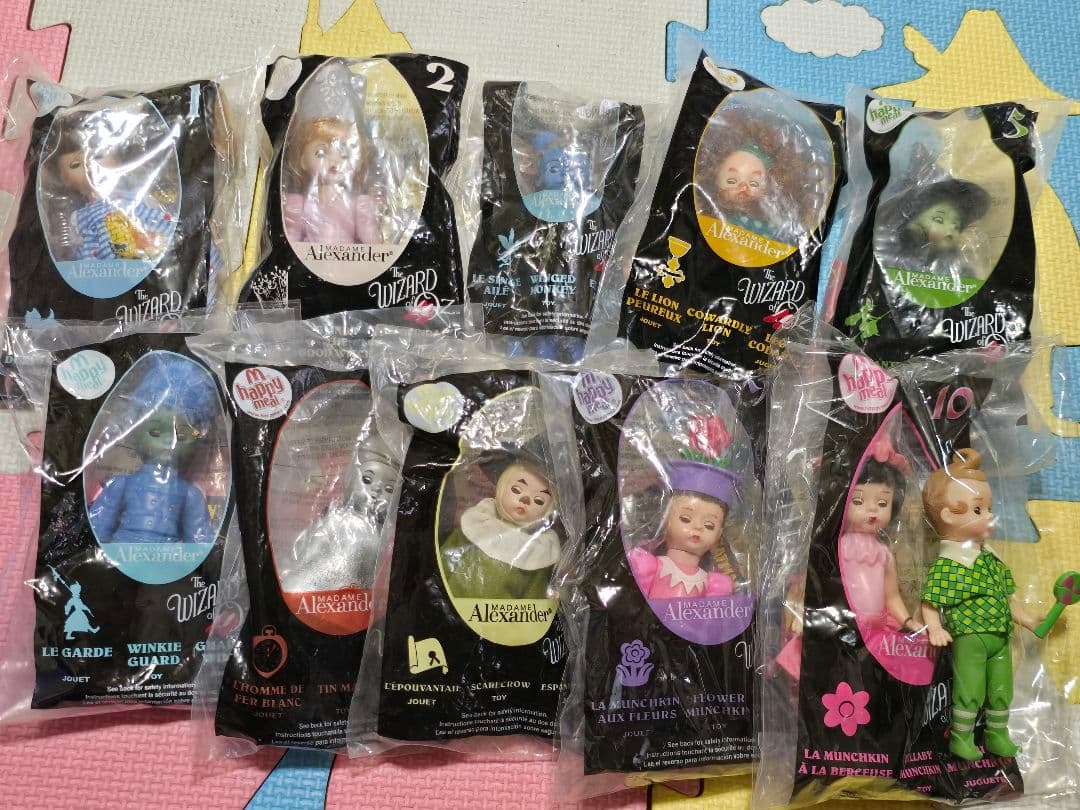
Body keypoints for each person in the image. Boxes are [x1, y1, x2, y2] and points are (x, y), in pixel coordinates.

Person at [921, 448, 1044, 760]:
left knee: (1001, 689)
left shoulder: (992, 558)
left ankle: (997, 734)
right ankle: (961, 738)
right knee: (970, 689)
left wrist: (1028, 619)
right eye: (978, 509)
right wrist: (934, 628)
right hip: (970, 636)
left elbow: (1006, 597)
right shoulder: (949, 564)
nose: (989, 515)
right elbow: (931, 600)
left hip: (1000, 636)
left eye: (988, 508)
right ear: (949, 515)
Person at [87, 353, 220, 545]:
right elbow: (99, 524)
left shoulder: (190, 494)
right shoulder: (121, 483)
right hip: (123, 548)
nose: (168, 441)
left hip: (166, 556)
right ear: (136, 430)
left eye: (181, 436)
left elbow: (199, 539)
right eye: (155, 432)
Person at [41, 111, 174, 262]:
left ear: (118, 159)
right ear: (64, 179)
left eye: (98, 156)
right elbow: (72, 247)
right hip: (103, 270)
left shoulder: (133, 198)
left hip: (147, 256)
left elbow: (158, 220)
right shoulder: (79, 217)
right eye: (75, 165)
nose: (90, 166)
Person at [440, 450, 559, 600]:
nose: (525, 500)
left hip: (502, 614)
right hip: (451, 602)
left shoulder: (538, 550)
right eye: (516, 490)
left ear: (548, 510)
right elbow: (444, 561)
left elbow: (535, 596)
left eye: (539, 501)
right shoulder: (477, 523)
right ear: (501, 488)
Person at [282, 116, 382, 245]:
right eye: (321, 153)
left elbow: (372, 242)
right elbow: (290, 240)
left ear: (358, 163)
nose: (334, 160)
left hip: (348, 256)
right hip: (309, 256)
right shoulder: (299, 205)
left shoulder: (359, 205)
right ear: (303, 161)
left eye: (344, 154)